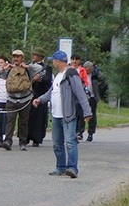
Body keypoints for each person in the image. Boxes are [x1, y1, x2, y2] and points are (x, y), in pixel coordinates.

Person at [33, 50, 92, 178]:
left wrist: (87, 112)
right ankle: (60, 167)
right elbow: (51, 92)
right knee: (57, 143)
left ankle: (72, 168)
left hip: (68, 114)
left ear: (59, 61)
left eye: (53, 60)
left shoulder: (71, 74)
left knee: (70, 142)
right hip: (55, 114)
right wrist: (40, 99)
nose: (52, 62)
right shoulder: (58, 75)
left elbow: (81, 94)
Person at [0, 49, 37, 151]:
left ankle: (23, 142)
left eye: (18, 56)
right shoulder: (9, 70)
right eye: (14, 56)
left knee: (24, 122)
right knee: (10, 121)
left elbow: (40, 68)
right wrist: (4, 68)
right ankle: (8, 141)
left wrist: (27, 66)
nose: (16, 58)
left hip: (25, 100)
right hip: (11, 99)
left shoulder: (28, 70)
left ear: (22, 58)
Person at [26, 47, 52, 147]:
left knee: (39, 118)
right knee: (28, 117)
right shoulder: (29, 65)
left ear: (40, 56)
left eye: (35, 55)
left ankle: (37, 138)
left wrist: (40, 80)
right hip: (29, 94)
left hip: (40, 95)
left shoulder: (46, 67)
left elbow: (48, 81)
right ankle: (26, 137)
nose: (33, 57)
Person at [83, 61, 100, 142]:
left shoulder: (95, 75)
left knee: (92, 116)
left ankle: (91, 133)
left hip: (92, 97)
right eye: (86, 70)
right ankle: (80, 132)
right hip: (83, 98)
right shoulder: (81, 74)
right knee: (81, 115)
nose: (87, 72)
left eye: (89, 70)